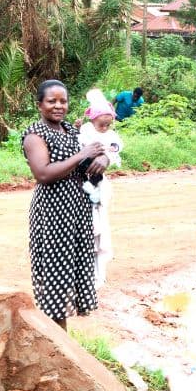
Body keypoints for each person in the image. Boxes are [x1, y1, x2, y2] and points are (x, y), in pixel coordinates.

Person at [22, 79, 109, 330]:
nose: (58, 106)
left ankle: (64, 348)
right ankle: (58, 347)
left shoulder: (71, 131)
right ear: (40, 105)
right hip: (53, 213)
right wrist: (83, 154)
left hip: (77, 210)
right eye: (52, 101)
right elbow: (44, 173)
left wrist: (102, 158)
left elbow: (94, 156)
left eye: (63, 101)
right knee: (55, 282)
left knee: (73, 272)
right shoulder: (34, 135)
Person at [77, 89, 122, 288]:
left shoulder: (111, 134)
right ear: (93, 120)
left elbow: (117, 146)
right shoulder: (86, 130)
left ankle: (99, 274)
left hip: (98, 183)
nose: (104, 127)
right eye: (101, 124)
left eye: (108, 124)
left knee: (99, 229)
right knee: (87, 231)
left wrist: (109, 153)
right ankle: (85, 274)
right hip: (82, 180)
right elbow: (79, 144)